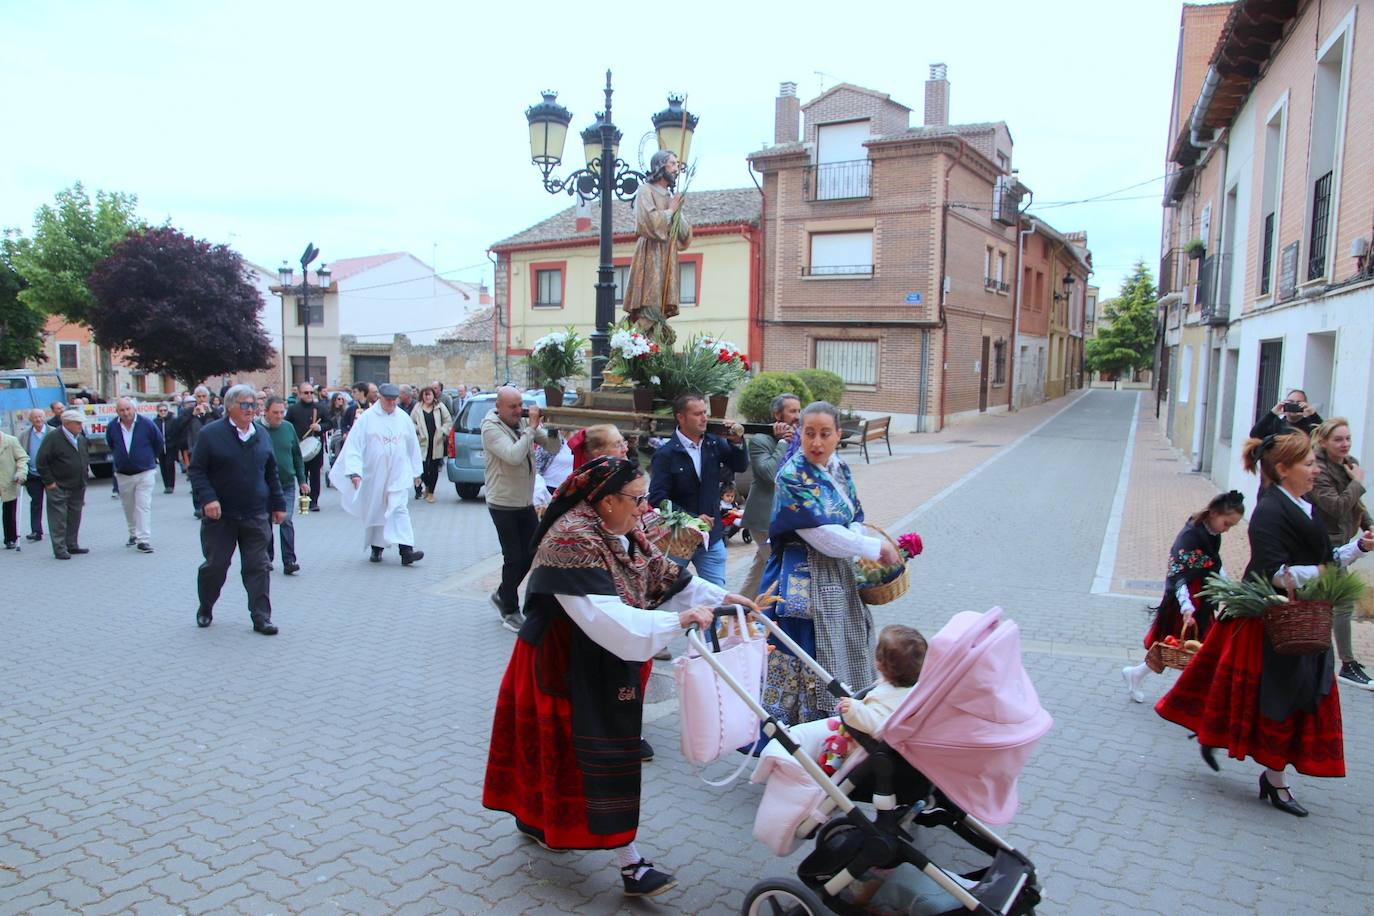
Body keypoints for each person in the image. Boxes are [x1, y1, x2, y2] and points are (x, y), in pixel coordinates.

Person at [482, 456, 756, 897]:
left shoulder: (622, 530)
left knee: (569, 758)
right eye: (637, 498)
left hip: (592, 657)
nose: (644, 507)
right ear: (606, 500)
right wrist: (678, 622)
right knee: (589, 754)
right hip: (561, 665)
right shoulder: (571, 539)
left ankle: (540, 822)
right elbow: (608, 620)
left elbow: (667, 578)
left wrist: (727, 597)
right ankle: (628, 861)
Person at [1156, 433, 1374, 816]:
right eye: (1308, 463)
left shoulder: (1302, 505)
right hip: (1277, 623)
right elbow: (1274, 573)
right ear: (1283, 468)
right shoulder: (1270, 511)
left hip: (1304, 621)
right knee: (1282, 698)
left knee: (1297, 696)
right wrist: (1321, 571)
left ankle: (1271, 776)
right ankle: (1275, 780)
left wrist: (1359, 548)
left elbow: (1323, 558)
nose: (1316, 468)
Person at [758, 401, 902, 731]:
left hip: (838, 573)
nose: (817, 443)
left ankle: (845, 728)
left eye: (825, 434)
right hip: (800, 580)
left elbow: (853, 517)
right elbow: (818, 533)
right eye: (809, 434)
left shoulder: (839, 468)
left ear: (839, 435)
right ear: (800, 434)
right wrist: (871, 547)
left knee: (846, 644)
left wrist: (859, 539)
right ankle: (800, 738)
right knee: (805, 654)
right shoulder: (791, 475)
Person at [1120, 490, 1245, 702]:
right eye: (1227, 524)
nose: (1227, 530)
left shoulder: (1212, 535)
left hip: (1201, 598)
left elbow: (1214, 565)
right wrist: (1187, 607)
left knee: (1186, 646)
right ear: (1214, 513)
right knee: (1180, 646)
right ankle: (1196, 695)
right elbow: (1178, 573)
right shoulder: (1191, 536)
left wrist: (1231, 590)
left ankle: (1137, 674)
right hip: (1187, 600)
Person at [756, 623, 926, 772]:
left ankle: (823, 774)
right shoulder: (916, 690)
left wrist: (853, 709)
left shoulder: (885, 700)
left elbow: (874, 723)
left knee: (826, 748)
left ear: (879, 663)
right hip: (878, 751)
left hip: (860, 756)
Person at [188, 386, 286, 634]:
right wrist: (208, 499)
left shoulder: (261, 434)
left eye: (253, 405)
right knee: (215, 566)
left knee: (258, 566)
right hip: (221, 517)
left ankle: (261, 617)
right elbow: (197, 470)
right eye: (244, 405)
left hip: (255, 514)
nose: (250, 410)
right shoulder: (211, 434)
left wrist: (278, 504)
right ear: (229, 406)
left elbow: (271, 471)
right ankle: (206, 606)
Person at [647, 393, 749, 587]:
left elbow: (740, 465)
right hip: (678, 539)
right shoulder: (665, 454)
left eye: (705, 413)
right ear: (681, 417)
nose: (704, 418)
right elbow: (657, 498)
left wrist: (737, 442)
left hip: (711, 538)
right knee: (667, 593)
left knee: (716, 597)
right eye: (698, 414)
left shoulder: (713, 444)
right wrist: (690, 518)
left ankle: (713, 619)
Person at [482, 386, 560, 631]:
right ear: (499, 406)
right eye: (513, 407)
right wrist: (531, 427)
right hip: (503, 502)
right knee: (514, 557)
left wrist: (554, 427)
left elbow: (552, 448)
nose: (519, 411)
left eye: (520, 405)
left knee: (533, 552)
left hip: (524, 502)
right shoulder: (491, 427)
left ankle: (502, 594)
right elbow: (513, 455)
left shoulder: (519, 426)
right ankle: (509, 609)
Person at [328, 382, 425, 566]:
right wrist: (354, 472)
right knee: (378, 510)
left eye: (394, 400)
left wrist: (416, 472)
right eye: (387, 400)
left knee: (399, 509)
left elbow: (412, 446)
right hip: (375, 475)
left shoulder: (403, 418)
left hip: (398, 474)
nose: (391, 403)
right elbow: (354, 446)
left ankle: (406, 550)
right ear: (379, 398)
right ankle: (376, 547)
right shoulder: (367, 418)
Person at [1309, 417, 1374, 690]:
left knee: (1320, 604)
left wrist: (1369, 524)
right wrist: (1356, 482)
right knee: (1342, 603)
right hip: (1323, 545)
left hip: (1340, 543)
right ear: (1324, 442)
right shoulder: (1318, 470)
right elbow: (1335, 507)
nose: (1345, 444)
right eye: (1338, 439)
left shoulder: (1348, 464)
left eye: (1347, 438)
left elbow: (1354, 503)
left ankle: (1321, 659)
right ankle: (1346, 665)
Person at [623, 149, 692, 339]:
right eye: (673, 164)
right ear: (660, 167)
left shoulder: (671, 198)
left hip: (666, 256)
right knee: (650, 308)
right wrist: (670, 211)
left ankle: (646, 353)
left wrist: (678, 212)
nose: (677, 169)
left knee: (659, 310)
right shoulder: (645, 191)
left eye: (678, 164)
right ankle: (624, 350)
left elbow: (684, 236)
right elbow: (648, 222)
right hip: (650, 255)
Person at [741, 392, 801, 599]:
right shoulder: (760, 440)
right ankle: (768, 615)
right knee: (781, 569)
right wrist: (782, 443)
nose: (797, 416)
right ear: (777, 414)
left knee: (759, 570)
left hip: (785, 517)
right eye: (792, 411)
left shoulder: (799, 439)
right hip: (764, 520)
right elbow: (769, 474)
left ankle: (735, 612)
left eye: (799, 410)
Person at [106, 397, 164, 553]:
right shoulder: (112, 427)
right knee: (128, 505)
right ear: (117, 411)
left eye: (128, 409)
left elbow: (158, 442)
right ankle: (133, 533)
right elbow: (111, 444)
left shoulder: (147, 424)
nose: (125, 413)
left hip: (145, 471)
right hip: (123, 473)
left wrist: (150, 458)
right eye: (122, 410)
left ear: (134, 409)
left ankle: (143, 539)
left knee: (143, 505)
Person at [35, 409, 91, 560]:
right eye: (78, 423)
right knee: (58, 519)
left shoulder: (80, 438)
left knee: (74, 517)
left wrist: (84, 479)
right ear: (66, 423)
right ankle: (59, 549)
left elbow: (84, 458)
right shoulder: (53, 437)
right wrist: (50, 482)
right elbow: (41, 461)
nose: (81, 426)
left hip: (77, 486)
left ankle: (72, 545)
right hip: (59, 485)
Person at [262, 397, 308, 575]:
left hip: (287, 483)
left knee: (286, 520)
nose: (279, 416)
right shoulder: (258, 430)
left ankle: (289, 560)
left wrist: (302, 480)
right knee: (265, 523)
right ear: (266, 411)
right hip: (264, 484)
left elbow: (297, 455)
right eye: (275, 413)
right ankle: (267, 558)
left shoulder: (288, 428)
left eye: (282, 412)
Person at [286, 383, 332, 511]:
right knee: (302, 474)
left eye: (311, 392)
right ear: (300, 394)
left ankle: (314, 502)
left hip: (315, 446)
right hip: (299, 446)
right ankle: (304, 499)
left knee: (315, 475)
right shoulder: (293, 409)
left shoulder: (320, 408)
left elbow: (330, 423)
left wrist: (320, 427)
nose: (309, 395)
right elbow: (286, 425)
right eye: (306, 393)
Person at [411, 385, 452, 504]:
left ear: (433, 395)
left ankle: (431, 493)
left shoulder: (439, 407)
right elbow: (410, 422)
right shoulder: (417, 408)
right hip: (422, 443)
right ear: (422, 396)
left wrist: (442, 431)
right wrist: (417, 429)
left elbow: (448, 421)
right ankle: (427, 485)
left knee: (434, 468)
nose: (427, 397)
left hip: (436, 442)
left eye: (430, 394)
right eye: (425, 394)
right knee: (422, 468)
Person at [19, 409, 48, 542]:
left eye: (40, 417)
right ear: (31, 420)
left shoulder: (52, 432)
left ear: (44, 417)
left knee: (55, 503)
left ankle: (58, 529)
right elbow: (21, 453)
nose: (38, 420)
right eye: (35, 417)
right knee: (36, 502)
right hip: (33, 474)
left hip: (50, 474)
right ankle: (36, 530)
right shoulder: (25, 435)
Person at [1249, 388, 1323, 439]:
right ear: (1284, 403)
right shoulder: (1276, 424)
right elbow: (1254, 435)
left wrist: (1313, 415)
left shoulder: (1311, 425)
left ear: (1305, 405)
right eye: (1290, 402)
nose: (1294, 405)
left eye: (1298, 403)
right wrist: (1272, 413)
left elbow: (1325, 435)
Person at [1, 427, 27, 550]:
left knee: (9, 512)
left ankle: (10, 538)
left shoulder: (10, 441)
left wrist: (21, 473)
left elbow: (22, 457)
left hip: (9, 481)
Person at [152, 403, 180, 493]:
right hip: (160, 447)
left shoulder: (173, 420)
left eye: (165, 410)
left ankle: (171, 485)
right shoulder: (155, 421)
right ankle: (166, 485)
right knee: (163, 466)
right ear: (158, 412)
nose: (163, 412)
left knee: (169, 465)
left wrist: (175, 445)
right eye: (161, 411)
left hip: (170, 446)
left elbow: (176, 433)